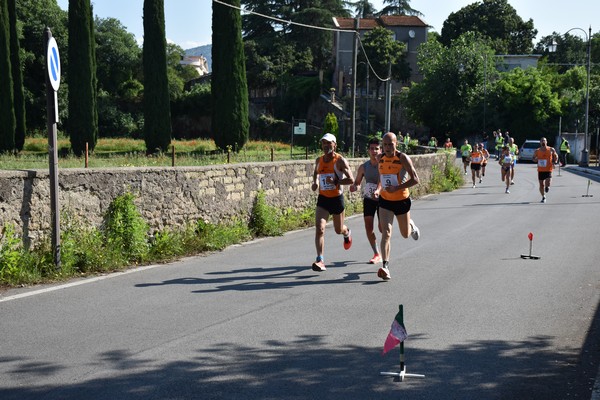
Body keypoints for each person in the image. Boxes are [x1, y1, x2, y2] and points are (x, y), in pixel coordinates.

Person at [373, 132, 421, 281]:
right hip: (385, 201)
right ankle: (385, 266)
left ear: (396, 144)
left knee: (405, 234)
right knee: (386, 232)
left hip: (401, 200)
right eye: (385, 145)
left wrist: (398, 187)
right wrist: (378, 189)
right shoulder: (379, 158)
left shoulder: (402, 158)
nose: (387, 147)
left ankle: (411, 226)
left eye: (390, 144)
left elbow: (415, 180)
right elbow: (382, 177)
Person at [311, 133, 354, 271]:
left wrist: (336, 181)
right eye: (324, 143)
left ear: (335, 145)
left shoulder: (340, 161)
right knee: (320, 228)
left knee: (338, 229)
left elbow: (351, 179)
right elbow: (316, 173)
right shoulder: (319, 160)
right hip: (323, 199)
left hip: (336, 199)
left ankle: (346, 232)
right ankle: (320, 259)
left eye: (329, 143)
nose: (326, 146)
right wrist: (315, 183)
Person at [350, 138, 382, 264]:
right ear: (368, 150)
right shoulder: (363, 167)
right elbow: (357, 182)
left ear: (380, 150)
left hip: (382, 199)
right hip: (369, 199)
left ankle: (384, 251)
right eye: (372, 149)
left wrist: (378, 190)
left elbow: (382, 181)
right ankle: (376, 253)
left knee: (381, 228)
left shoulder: (383, 165)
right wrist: (354, 187)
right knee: (369, 228)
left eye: (376, 149)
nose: (374, 151)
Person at [532, 137, 558, 203]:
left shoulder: (551, 149)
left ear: (546, 142)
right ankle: (543, 196)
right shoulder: (537, 151)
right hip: (540, 170)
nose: (543, 142)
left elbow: (556, 156)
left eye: (544, 141)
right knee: (541, 185)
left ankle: (547, 187)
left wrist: (555, 161)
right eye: (542, 141)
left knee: (548, 181)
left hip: (548, 169)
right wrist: (535, 159)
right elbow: (533, 158)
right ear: (540, 143)